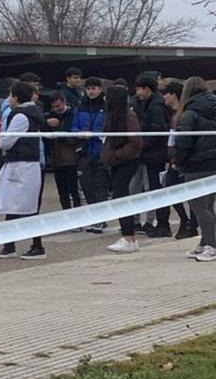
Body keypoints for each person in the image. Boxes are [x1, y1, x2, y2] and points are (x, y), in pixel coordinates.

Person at [0, 81, 48, 260]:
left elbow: (5, 141)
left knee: (27, 207)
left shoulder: (21, 116)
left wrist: (2, 143)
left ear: (16, 97)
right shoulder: (28, 113)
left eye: (10, 95)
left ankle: (37, 246)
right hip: (21, 165)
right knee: (13, 205)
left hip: (22, 166)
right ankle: (9, 245)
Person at [174, 76, 216, 261]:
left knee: (199, 207)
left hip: (197, 164)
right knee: (208, 206)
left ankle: (212, 245)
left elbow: (184, 141)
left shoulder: (190, 113)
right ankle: (205, 242)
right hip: (213, 163)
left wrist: (179, 161)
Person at [101, 84, 144, 254]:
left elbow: (136, 143)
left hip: (126, 162)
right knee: (119, 197)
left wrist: (117, 154)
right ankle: (128, 236)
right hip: (116, 163)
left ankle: (129, 236)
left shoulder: (128, 116)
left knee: (120, 197)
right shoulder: (112, 116)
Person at [133, 73, 173, 237]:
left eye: (139, 89)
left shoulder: (155, 107)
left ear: (147, 89)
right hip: (150, 153)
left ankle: (159, 222)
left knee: (154, 188)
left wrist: (142, 145)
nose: (137, 93)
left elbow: (158, 131)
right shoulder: (149, 104)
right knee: (151, 187)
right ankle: (157, 222)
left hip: (154, 155)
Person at [71, 77, 109, 233]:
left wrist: (96, 134)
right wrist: (78, 134)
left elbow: (108, 128)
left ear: (100, 89)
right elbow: (73, 127)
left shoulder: (106, 107)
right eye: (88, 88)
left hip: (101, 151)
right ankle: (93, 217)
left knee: (100, 185)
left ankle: (101, 219)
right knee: (86, 186)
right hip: (84, 152)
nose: (91, 91)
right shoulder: (79, 108)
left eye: (94, 88)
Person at [162, 79, 196, 238]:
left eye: (166, 94)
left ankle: (191, 224)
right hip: (173, 159)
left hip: (183, 160)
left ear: (173, 95)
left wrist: (177, 159)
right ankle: (185, 220)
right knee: (170, 191)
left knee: (191, 195)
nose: (164, 97)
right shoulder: (172, 114)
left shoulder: (184, 114)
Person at [44, 91, 82, 214]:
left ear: (65, 102)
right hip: (56, 159)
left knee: (74, 190)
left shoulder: (75, 114)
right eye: (53, 107)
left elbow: (75, 135)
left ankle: (77, 215)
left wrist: (59, 131)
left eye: (58, 106)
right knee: (62, 191)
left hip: (72, 158)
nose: (56, 109)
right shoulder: (49, 116)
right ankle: (66, 214)